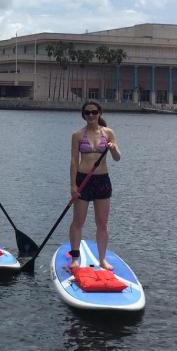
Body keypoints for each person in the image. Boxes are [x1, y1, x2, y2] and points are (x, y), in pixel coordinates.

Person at [68, 100, 121, 269]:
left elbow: (118, 157)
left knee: (102, 222)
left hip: (102, 180)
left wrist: (113, 148)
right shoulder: (77, 135)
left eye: (94, 112)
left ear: (99, 113)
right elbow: (74, 162)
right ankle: (75, 257)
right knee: (78, 221)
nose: (91, 115)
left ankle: (102, 259)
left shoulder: (108, 133)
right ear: (84, 115)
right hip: (83, 180)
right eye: (87, 113)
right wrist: (73, 186)